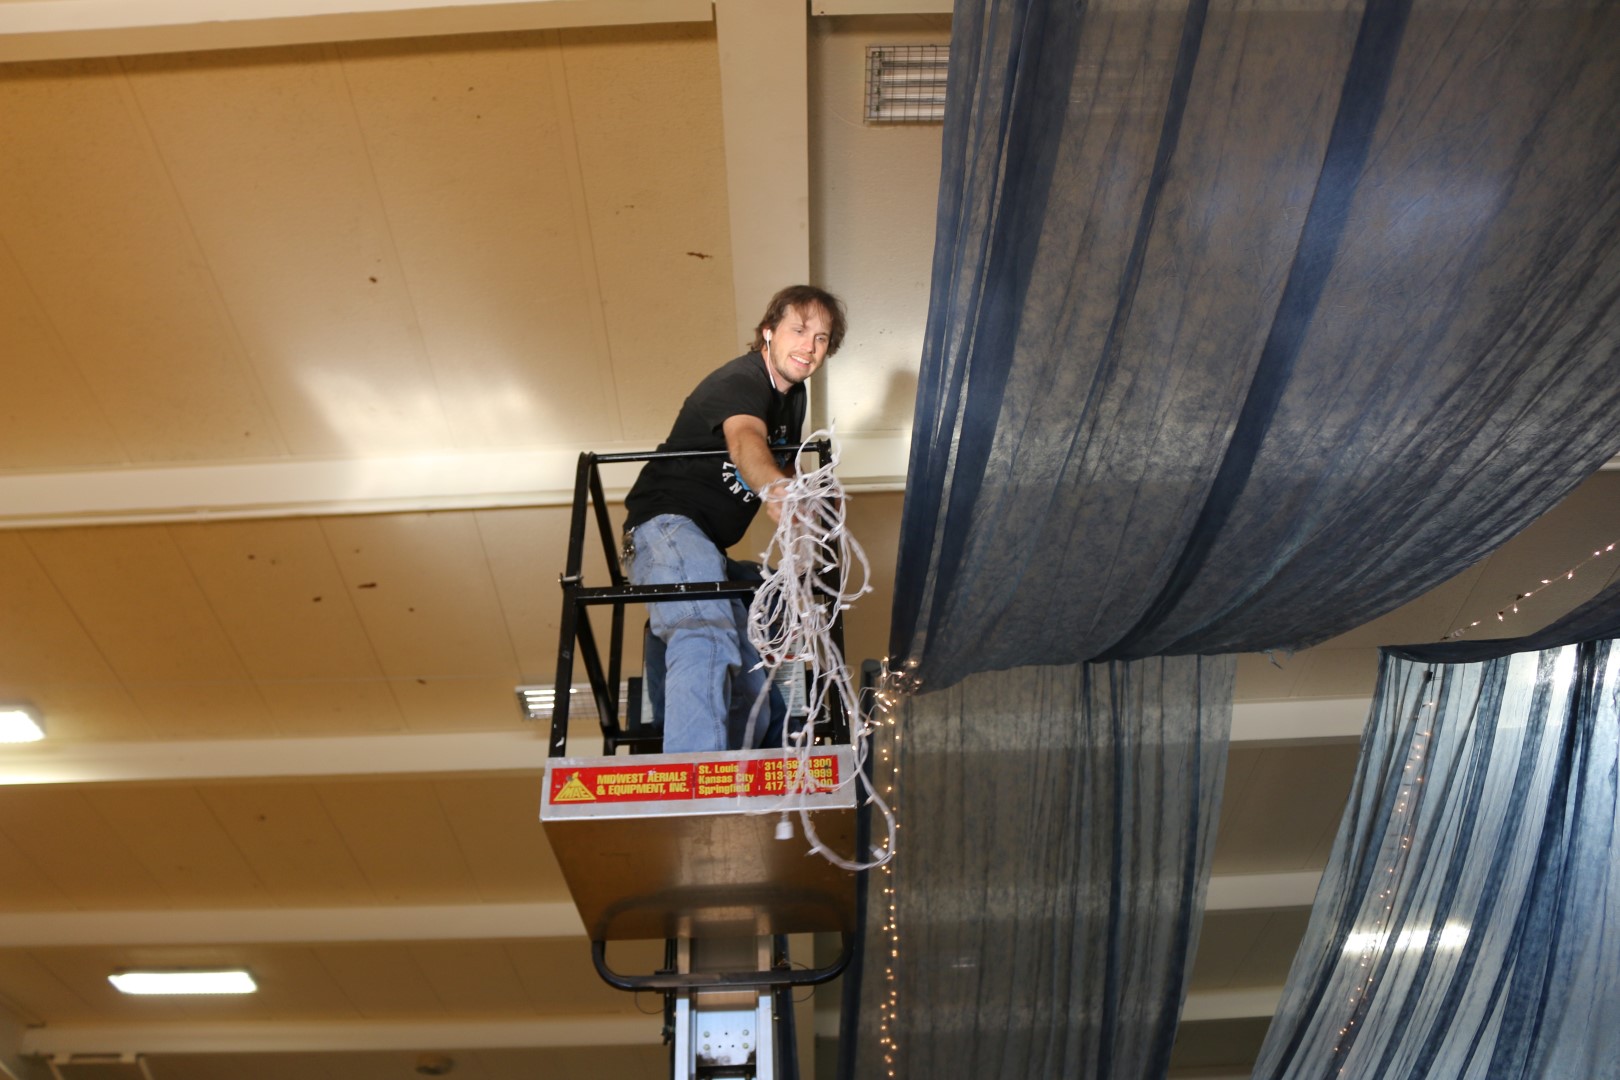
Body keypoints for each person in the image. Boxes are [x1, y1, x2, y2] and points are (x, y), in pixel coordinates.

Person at [622, 285, 847, 753]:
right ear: (768, 332)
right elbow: (746, 440)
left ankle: (738, 773)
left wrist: (805, 500)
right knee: (704, 637)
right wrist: (775, 489)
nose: (809, 346)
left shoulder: (793, 398)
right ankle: (695, 774)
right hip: (667, 525)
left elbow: (778, 463)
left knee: (751, 691)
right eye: (799, 330)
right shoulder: (741, 380)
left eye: (821, 338)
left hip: (707, 547)